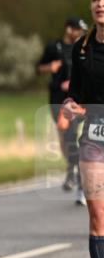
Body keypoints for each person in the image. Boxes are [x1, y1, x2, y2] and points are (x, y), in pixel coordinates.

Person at [61, 0, 104, 258]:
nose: (100, 4)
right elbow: (73, 93)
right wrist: (69, 106)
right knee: (98, 217)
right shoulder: (82, 48)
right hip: (93, 138)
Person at [38, 16, 87, 200]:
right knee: (64, 137)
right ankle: (75, 169)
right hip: (56, 99)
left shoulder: (82, 48)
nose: (80, 33)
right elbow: (39, 68)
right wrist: (50, 67)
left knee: (71, 134)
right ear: (69, 29)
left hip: (75, 100)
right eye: (77, 30)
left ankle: (73, 173)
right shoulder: (54, 47)